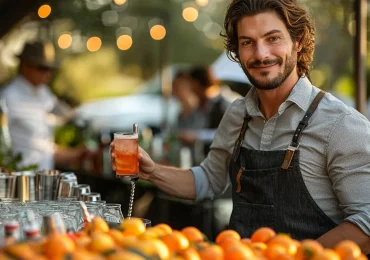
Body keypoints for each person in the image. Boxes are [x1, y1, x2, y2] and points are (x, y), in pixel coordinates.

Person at [111, 0, 370, 253]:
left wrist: (292, 254)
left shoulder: (340, 124)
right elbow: (208, 180)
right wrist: (152, 171)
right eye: (248, 42)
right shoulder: (238, 114)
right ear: (237, 50)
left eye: (273, 38)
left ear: (298, 41)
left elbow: (366, 223)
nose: (261, 54)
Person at [1, 40, 86, 170]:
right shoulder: (6, 97)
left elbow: (66, 116)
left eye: (51, 69)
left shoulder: (43, 92)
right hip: (18, 179)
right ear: (25, 65)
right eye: (43, 68)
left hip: (45, 175)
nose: (49, 74)